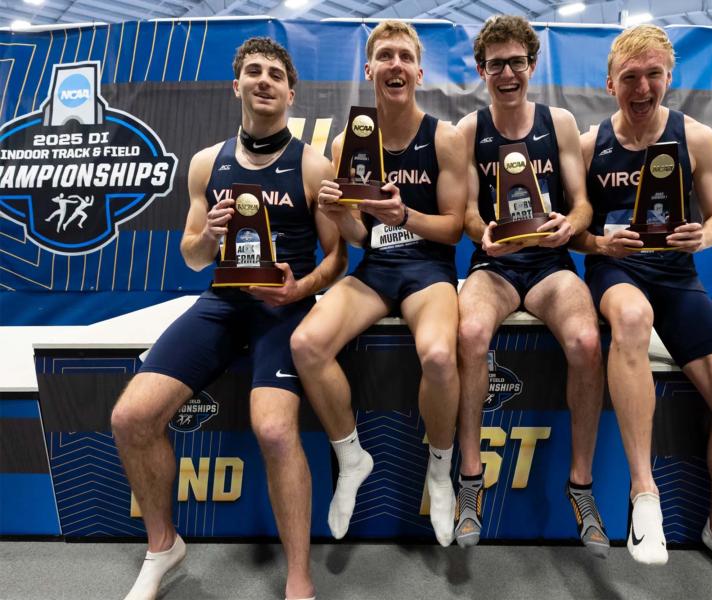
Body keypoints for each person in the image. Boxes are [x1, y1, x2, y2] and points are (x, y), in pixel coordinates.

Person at [111, 37, 343, 600]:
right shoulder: (204, 164)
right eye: (253, 72)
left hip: (283, 308)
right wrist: (209, 234)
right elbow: (191, 255)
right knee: (130, 418)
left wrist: (300, 290)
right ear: (235, 85)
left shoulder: (313, 164)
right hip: (222, 302)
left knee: (273, 429)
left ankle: (298, 579)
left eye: (275, 74)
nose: (264, 81)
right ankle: (163, 546)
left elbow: (338, 259)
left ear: (291, 92)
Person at [575, 24, 712, 600]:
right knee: (631, 319)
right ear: (611, 84)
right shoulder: (589, 146)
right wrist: (599, 245)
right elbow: (572, 234)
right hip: (616, 272)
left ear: (668, 77)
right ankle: (644, 496)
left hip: (678, 278)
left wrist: (699, 239)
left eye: (653, 74)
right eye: (630, 77)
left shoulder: (697, 137)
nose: (642, 87)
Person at [290, 21, 467, 547]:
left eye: (403, 56)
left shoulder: (446, 137)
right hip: (377, 270)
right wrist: (337, 211)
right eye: (384, 56)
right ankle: (351, 457)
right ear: (369, 70)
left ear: (418, 70)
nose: (394, 64)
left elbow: (455, 226)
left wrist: (404, 213)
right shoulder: (350, 140)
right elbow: (360, 238)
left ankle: (440, 468)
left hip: (429, 270)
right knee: (306, 343)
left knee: (438, 356)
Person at [453, 15, 608, 557]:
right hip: (494, 266)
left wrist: (574, 222)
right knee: (470, 333)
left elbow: (583, 202)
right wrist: (484, 234)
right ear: (481, 71)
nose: (508, 73)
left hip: (549, 264)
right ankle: (469, 483)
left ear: (532, 65)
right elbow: (469, 214)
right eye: (496, 64)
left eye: (517, 62)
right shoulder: (470, 131)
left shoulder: (559, 122)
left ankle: (581, 487)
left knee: (588, 343)